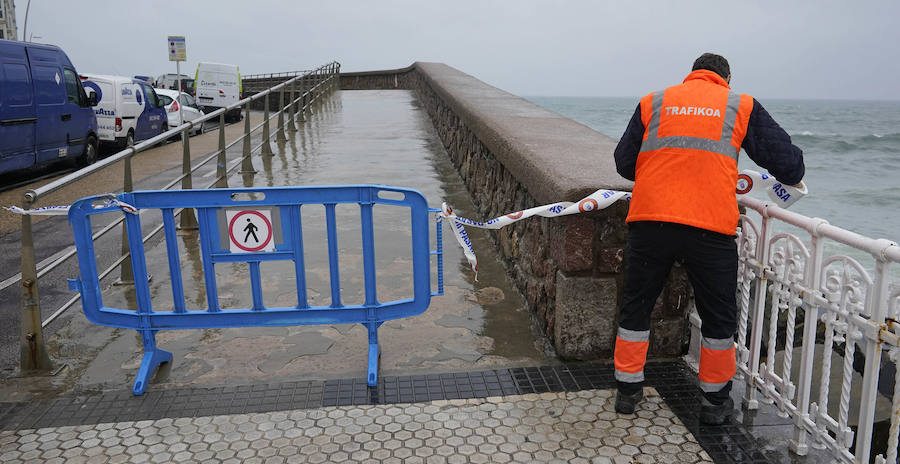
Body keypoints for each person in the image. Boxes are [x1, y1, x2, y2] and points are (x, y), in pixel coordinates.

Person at [611, 53, 805, 424]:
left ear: (691, 75)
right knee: (718, 316)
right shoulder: (739, 104)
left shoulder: (655, 101)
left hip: (651, 222)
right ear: (726, 77)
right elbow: (787, 164)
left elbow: (624, 162)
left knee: (637, 305)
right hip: (709, 228)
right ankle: (714, 402)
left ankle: (627, 391)